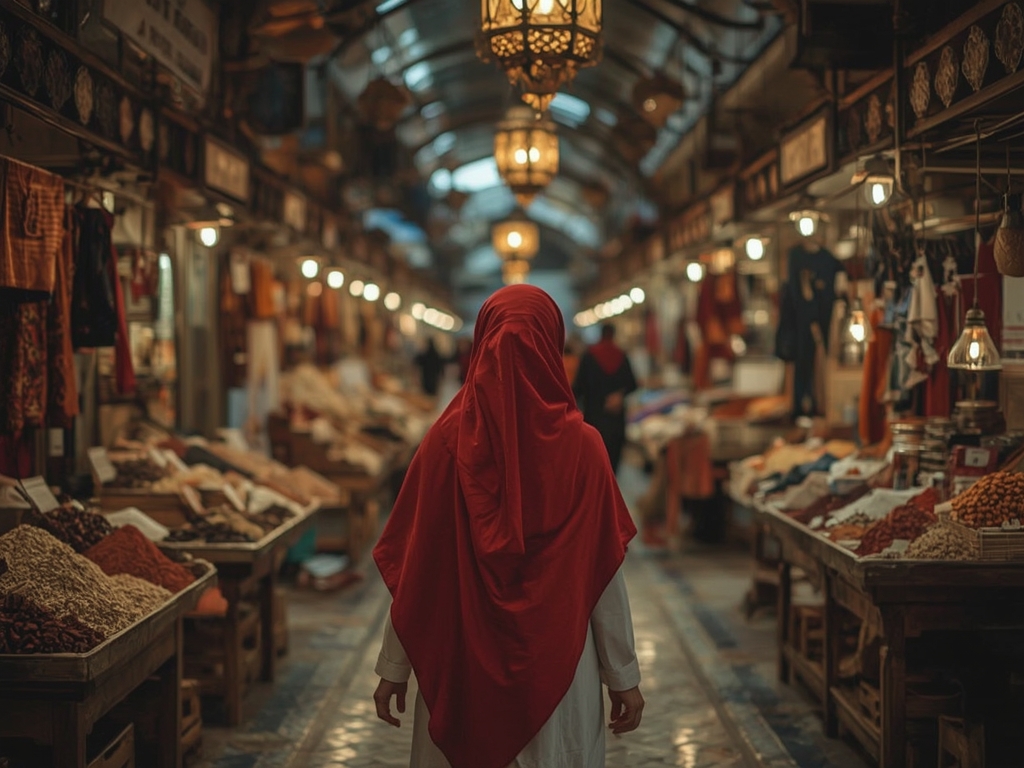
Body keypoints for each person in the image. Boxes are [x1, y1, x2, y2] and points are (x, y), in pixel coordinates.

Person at [372, 285, 644, 768]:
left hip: (460, 666)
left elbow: (420, 567)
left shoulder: (442, 445)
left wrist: (395, 667)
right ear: (553, 346)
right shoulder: (584, 448)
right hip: (561, 669)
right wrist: (622, 674)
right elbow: (602, 571)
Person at [573, 323, 638, 473]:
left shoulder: (588, 356)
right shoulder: (622, 356)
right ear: (613, 335)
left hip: (594, 419)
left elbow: (578, 389)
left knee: (595, 466)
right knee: (612, 466)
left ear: (600, 334)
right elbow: (633, 384)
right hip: (616, 421)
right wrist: (619, 395)